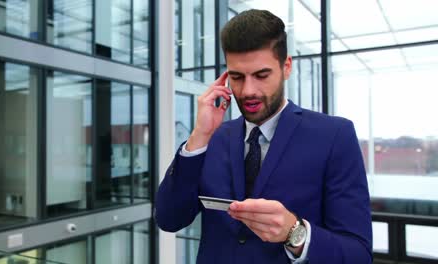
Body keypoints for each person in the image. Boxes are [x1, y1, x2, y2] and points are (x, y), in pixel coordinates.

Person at [156, 9, 372, 264]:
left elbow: (358, 255)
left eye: (261, 75)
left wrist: (295, 232)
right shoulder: (212, 138)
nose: (248, 91)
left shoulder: (334, 136)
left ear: (286, 67)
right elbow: (169, 219)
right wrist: (199, 135)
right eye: (237, 77)